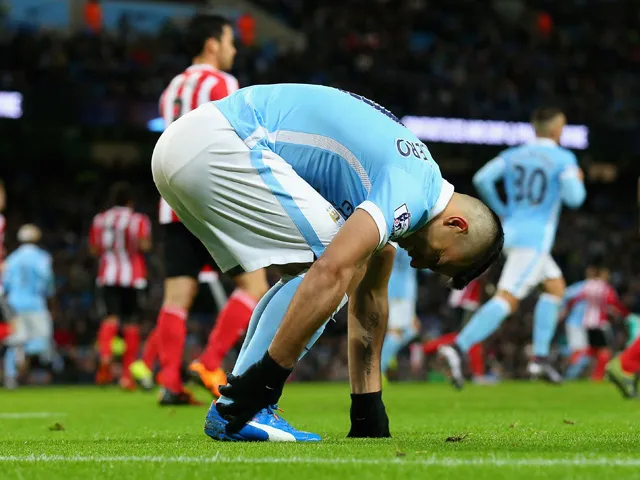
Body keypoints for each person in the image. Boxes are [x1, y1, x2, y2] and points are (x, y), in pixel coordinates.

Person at [152, 83, 504, 441]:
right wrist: (268, 380)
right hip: (223, 144)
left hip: (189, 145)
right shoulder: (411, 190)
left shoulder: (414, 177)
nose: (419, 265)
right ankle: (246, 406)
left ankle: (242, 406)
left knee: (352, 258)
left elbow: (370, 292)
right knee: (332, 263)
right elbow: (334, 270)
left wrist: (368, 409)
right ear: (456, 225)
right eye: (438, 259)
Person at [133, 14, 269, 405]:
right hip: (213, 201)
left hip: (173, 205)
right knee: (255, 287)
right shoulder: (223, 83)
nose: (233, 50)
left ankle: (169, 385)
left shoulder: (172, 88)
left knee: (176, 298)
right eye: (229, 41)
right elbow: (239, 141)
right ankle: (209, 361)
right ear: (212, 44)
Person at [439, 107, 586, 389]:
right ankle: (457, 347)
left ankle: (540, 358)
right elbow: (574, 199)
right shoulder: (563, 158)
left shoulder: (514, 154)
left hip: (513, 230)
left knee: (555, 287)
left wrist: (502, 210)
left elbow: (482, 178)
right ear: (557, 129)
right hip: (534, 241)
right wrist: (576, 179)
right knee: (507, 299)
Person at [89, 182, 152, 390]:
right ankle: (126, 376)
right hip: (133, 277)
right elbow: (144, 245)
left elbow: (94, 249)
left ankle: (105, 357)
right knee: (131, 323)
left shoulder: (100, 219)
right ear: (130, 201)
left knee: (110, 318)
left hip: (107, 275)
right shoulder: (139, 219)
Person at [2, 225, 55, 389]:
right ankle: (30, 362)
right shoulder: (42, 257)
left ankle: (11, 376)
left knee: (15, 341)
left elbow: (5, 284)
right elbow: (48, 282)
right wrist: (52, 302)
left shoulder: (12, 258)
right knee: (42, 338)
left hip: (14, 303)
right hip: (35, 303)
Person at [380, 248, 419, 381]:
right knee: (395, 334)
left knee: (412, 330)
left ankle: (387, 353)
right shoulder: (403, 243)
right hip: (399, 293)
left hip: (404, 294)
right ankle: (377, 370)